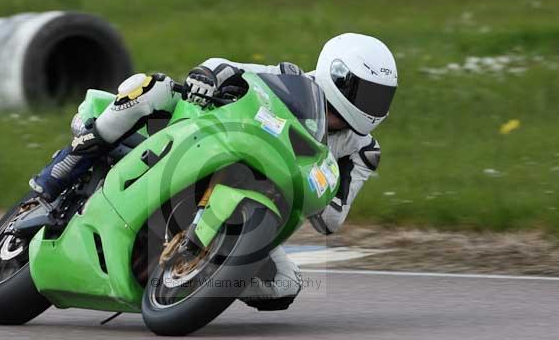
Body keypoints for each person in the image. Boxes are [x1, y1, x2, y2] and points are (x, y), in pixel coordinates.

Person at [29, 33, 398, 309]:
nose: (370, 106)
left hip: (255, 202)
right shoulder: (291, 80)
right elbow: (228, 68)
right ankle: (70, 163)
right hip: (205, 140)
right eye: (365, 92)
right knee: (153, 87)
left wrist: (321, 182)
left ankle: (202, 277)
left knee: (284, 285)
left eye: (379, 98)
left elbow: (332, 220)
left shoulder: (363, 150)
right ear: (339, 77)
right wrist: (210, 77)